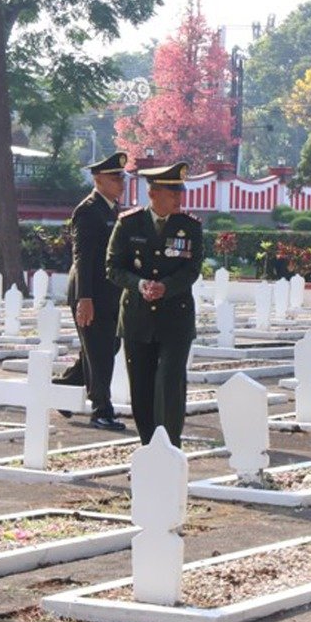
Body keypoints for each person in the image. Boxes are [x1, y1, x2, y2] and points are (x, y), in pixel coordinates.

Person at [106, 161, 202, 446]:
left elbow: (192, 269)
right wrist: (139, 284)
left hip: (175, 318)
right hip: (138, 317)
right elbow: (113, 267)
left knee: (170, 383)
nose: (179, 198)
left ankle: (171, 446)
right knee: (142, 386)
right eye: (173, 194)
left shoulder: (189, 227)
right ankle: (149, 445)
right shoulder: (129, 223)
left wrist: (166, 287)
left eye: (180, 193)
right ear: (154, 193)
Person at [61, 152, 129, 431]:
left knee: (105, 347)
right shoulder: (88, 210)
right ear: (98, 179)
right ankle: (101, 410)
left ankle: (61, 389)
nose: (120, 183)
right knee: (100, 352)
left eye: (122, 177)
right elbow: (83, 257)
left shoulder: (111, 209)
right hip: (90, 293)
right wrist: (84, 298)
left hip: (109, 293)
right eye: (115, 178)